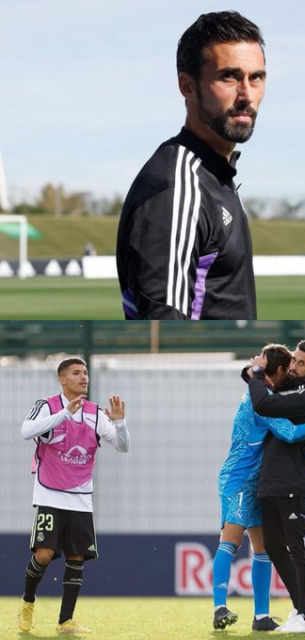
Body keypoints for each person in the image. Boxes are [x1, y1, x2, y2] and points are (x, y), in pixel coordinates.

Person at [117, 11, 266, 320]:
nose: (246, 95)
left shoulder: (216, 174)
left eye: (256, 78)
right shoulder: (175, 187)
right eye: (229, 77)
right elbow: (163, 327)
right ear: (187, 86)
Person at [213, 344, 305, 632]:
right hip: (239, 477)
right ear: (278, 371)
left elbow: (252, 376)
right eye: (289, 366)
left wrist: (253, 371)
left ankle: (261, 616)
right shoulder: (261, 400)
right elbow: (289, 433)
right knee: (231, 539)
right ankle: (219, 607)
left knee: (262, 547)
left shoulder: (262, 390)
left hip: (258, 479)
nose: (292, 371)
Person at [17, 358, 130, 634]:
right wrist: (64, 414)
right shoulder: (46, 406)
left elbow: (123, 446)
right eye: (77, 373)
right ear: (62, 379)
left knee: (77, 557)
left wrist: (120, 422)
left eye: (86, 372)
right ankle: (27, 602)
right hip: (49, 495)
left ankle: (65, 621)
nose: (84, 377)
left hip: (81, 498)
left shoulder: (95, 413)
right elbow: (26, 431)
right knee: (44, 555)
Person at [249, 340, 305, 634]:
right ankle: (300, 610)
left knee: (299, 547)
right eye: (294, 360)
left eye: (301, 363)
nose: (294, 366)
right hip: (271, 480)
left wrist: (256, 374)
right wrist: (255, 371)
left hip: (296, 482)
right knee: (273, 545)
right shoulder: (285, 385)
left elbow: (262, 402)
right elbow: (252, 378)